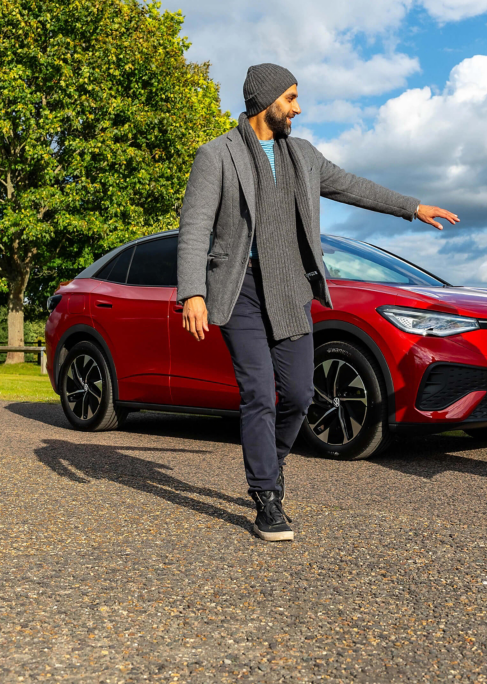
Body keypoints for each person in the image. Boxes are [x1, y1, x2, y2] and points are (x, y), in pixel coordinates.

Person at [177, 63, 459, 541]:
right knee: (258, 394)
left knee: (302, 395)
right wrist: (193, 293)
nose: (297, 107)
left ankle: (271, 460)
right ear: (266, 101)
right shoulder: (217, 156)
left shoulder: (302, 155)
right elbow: (194, 228)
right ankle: (266, 496)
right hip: (239, 288)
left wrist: (413, 206)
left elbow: (353, 187)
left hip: (289, 286)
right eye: (290, 98)